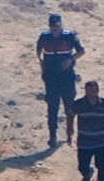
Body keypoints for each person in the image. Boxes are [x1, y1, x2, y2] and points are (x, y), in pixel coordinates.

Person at [36, 13, 85, 146]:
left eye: (57, 28)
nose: (54, 30)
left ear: (61, 26)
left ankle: (70, 131)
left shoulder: (69, 36)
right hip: (51, 76)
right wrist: (41, 61)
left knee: (69, 105)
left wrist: (71, 59)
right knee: (52, 106)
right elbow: (38, 48)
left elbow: (81, 51)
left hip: (66, 76)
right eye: (52, 28)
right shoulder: (45, 36)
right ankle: (52, 136)